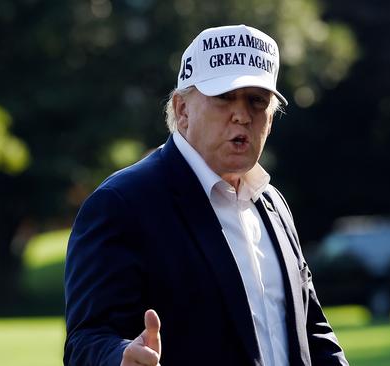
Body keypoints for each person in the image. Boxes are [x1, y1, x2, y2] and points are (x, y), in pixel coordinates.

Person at [64, 24, 349, 366]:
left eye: (257, 101)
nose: (242, 115)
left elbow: (313, 334)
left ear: (270, 120)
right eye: (224, 97)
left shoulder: (273, 204)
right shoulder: (121, 204)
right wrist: (120, 357)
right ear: (182, 110)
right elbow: (86, 341)